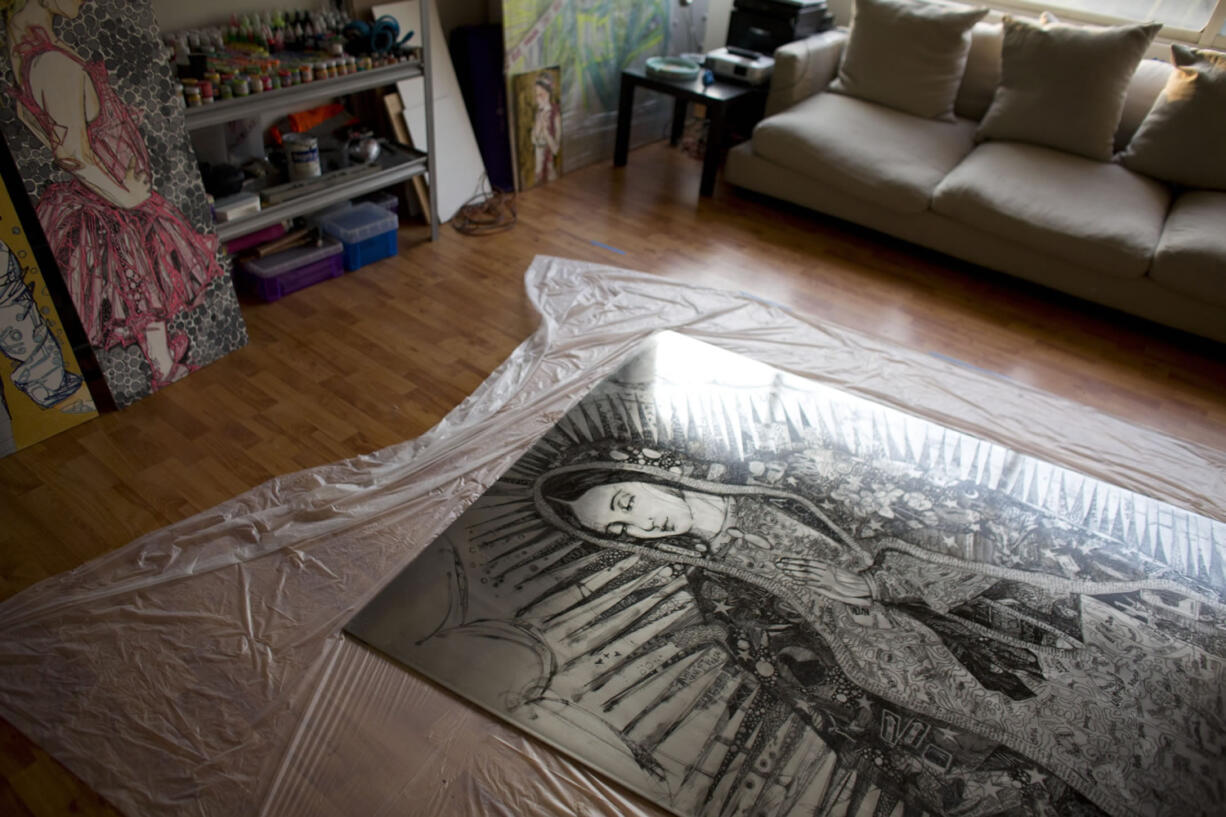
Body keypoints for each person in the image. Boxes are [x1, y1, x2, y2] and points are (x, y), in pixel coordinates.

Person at [534, 460, 1226, 817]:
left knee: (1158, 686)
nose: (637, 526)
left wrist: (880, 579)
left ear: (647, 477)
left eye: (626, 504)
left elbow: (925, 509)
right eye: (616, 532)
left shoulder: (785, 478)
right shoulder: (722, 593)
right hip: (965, 690)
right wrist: (859, 618)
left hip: (1008, 618)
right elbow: (822, 684)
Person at [5, 0, 228, 390]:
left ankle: (162, 359)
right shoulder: (52, 65)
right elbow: (71, 153)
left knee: (140, 282)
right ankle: (162, 366)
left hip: (110, 193)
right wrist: (126, 197)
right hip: (110, 200)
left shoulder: (29, 48)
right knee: (137, 282)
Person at [530, 73, 560, 184]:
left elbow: (556, 149)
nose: (538, 99)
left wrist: (546, 131)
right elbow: (534, 139)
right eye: (537, 95)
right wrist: (539, 124)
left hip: (549, 171)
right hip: (538, 172)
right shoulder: (538, 114)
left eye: (541, 95)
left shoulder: (555, 114)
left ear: (548, 94)